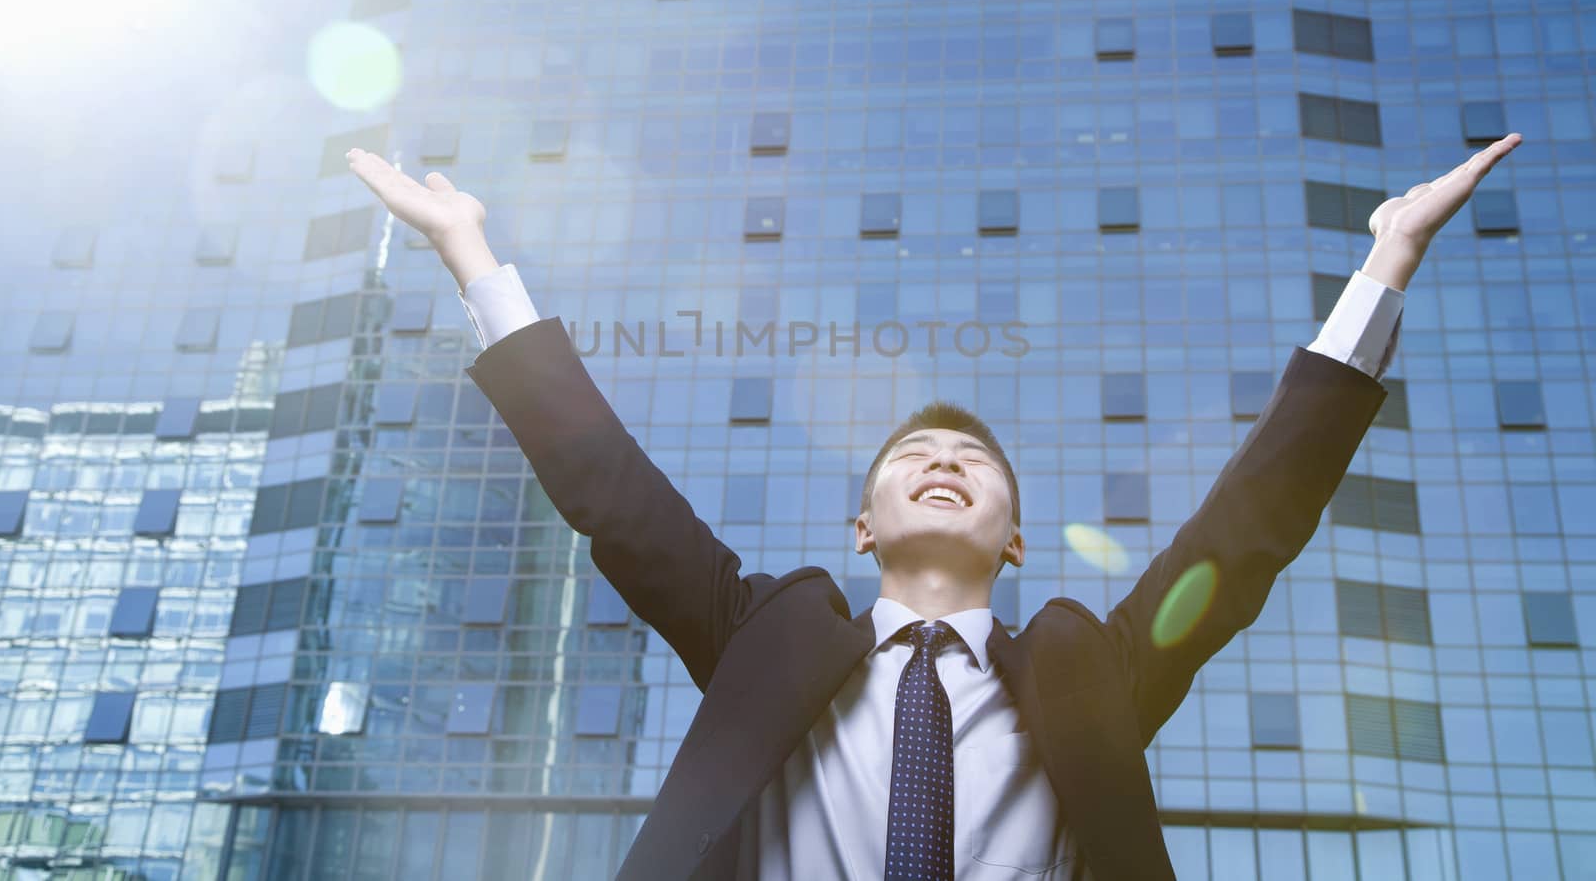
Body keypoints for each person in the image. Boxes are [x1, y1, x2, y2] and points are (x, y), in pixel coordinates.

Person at [347, 134, 1521, 880]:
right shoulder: (766, 631)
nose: (943, 460)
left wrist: (1385, 264)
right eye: (913, 453)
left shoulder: (1087, 666)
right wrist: (472, 256)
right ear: (863, 526)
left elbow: (1250, 523)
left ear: (1014, 536)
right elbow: (609, 487)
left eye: (972, 455)